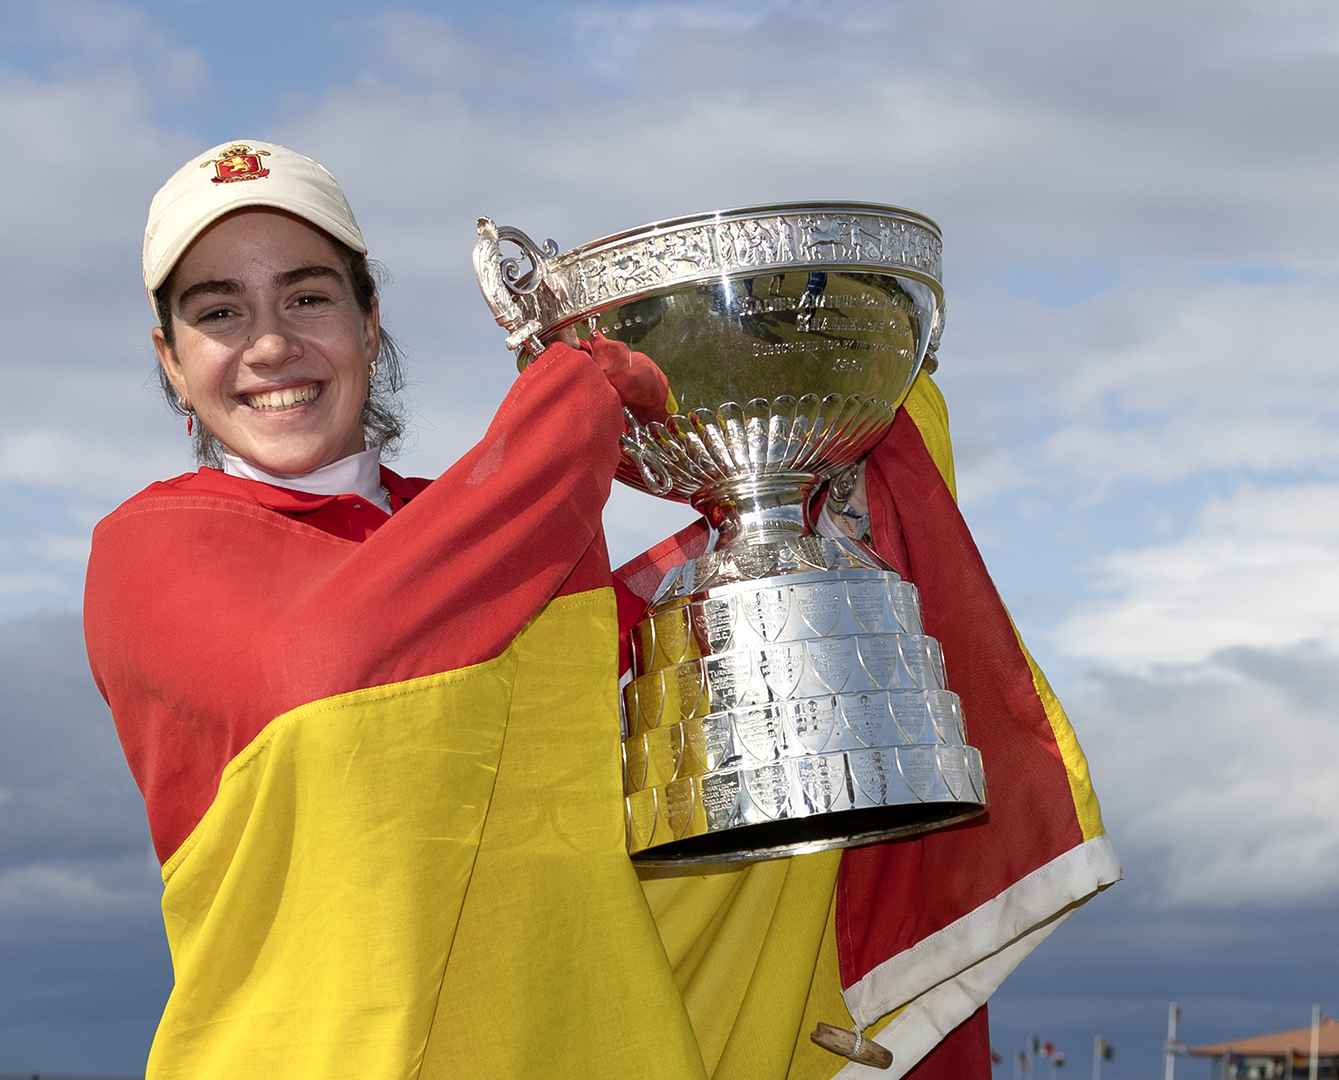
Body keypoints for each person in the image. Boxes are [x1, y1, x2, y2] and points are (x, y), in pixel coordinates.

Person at [84, 141, 1118, 1080]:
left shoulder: (491, 527)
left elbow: (634, 695)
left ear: (368, 324)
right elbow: (335, 663)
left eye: (307, 298)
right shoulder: (153, 548)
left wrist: (791, 516)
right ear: (172, 360)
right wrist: (570, 408)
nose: (268, 344)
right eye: (219, 312)